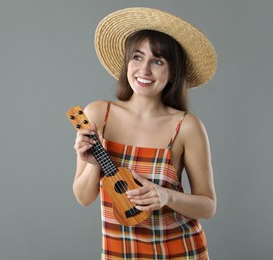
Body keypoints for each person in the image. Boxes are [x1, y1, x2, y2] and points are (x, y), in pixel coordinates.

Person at [72, 7, 217, 259]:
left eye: (158, 61)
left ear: (173, 73)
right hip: (120, 252)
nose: (144, 70)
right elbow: (84, 197)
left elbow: (208, 205)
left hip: (180, 251)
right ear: (127, 62)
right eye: (137, 57)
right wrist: (93, 163)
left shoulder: (186, 126)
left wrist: (165, 195)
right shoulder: (98, 115)